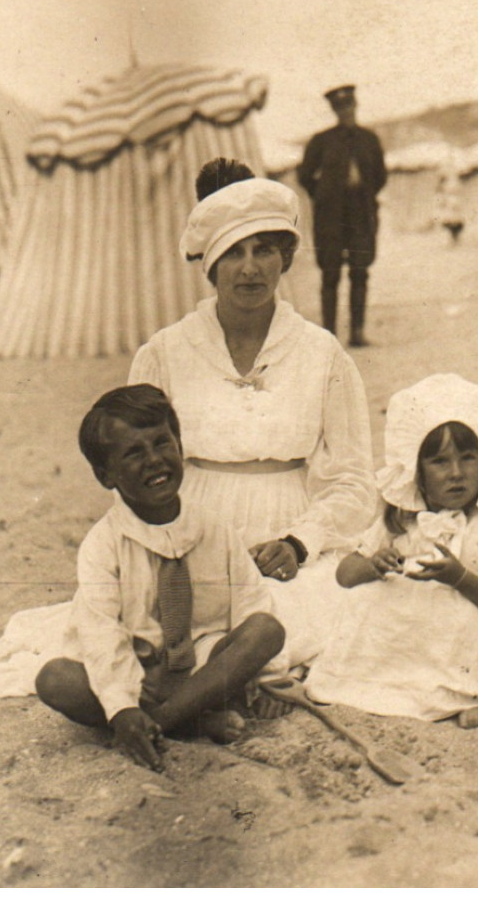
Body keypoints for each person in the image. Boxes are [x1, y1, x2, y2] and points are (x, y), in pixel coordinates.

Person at [129, 163, 376, 670]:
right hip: (188, 533)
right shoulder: (165, 353)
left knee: (314, 628)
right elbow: (134, 472)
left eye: (264, 249)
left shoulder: (321, 353)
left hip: (286, 536)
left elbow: (354, 482)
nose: (249, 268)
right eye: (233, 253)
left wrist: (299, 543)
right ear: (209, 264)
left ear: (285, 258)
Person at [35, 385, 287, 771]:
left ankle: (164, 723)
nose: (154, 460)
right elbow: (101, 636)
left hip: (204, 673)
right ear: (106, 476)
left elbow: (252, 602)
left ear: (180, 446)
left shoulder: (214, 528)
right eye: (134, 453)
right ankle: (183, 722)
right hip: (138, 675)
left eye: (161, 443)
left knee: (266, 629)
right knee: (55, 679)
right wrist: (120, 707)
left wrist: (264, 677)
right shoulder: (103, 546)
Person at [305, 375, 478, 728]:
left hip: (474, 609)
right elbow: (344, 575)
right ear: (418, 474)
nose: (457, 473)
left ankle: (466, 692)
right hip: (414, 623)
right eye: (440, 462)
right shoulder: (401, 523)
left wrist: (459, 577)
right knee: (366, 604)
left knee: (460, 617)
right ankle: (384, 684)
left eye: (468, 458)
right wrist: (373, 565)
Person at [297, 85, 387, 347]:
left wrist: (364, 195)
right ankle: (329, 336)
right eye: (340, 108)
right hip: (331, 218)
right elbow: (304, 175)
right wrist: (325, 196)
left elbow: (380, 176)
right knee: (330, 274)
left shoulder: (369, 139)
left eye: (349, 106)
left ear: (355, 107)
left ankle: (357, 332)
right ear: (334, 111)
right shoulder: (322, 141)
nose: (345, 112)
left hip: (361, 214)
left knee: (360, 272)